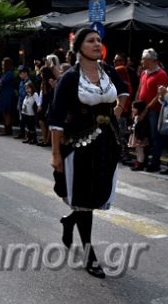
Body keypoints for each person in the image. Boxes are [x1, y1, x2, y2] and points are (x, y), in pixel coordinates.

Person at [49, 28, 128, 278]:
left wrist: (113, 115)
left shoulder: (108, 71)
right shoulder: (70, 77)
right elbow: (56, 119)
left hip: (107, 144)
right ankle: (88, 254)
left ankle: (70, 221)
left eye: (99, 40)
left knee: (95, 196)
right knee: (83, 197)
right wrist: (55, 154)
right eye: (91, 41)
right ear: (79, 47)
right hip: (78, 146)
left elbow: (124, 93)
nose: (97, 44)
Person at [135, 48, 168, 172]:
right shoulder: (144, 72)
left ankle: (155, 163)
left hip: (154, 110)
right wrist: (135, 106)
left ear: (151, 60)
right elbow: (140, 89)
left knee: (155, 137)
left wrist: (147, 109)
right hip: (142, 108)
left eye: (143, 59)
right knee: (141, 136)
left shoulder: (161, 74)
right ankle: (142, 161)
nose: (141, 62)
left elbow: (158, 95)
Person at [0, 57, 16, 136]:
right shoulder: (6, 73)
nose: (2, 66)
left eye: (3, 64)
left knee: (7, 112)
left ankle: (7, 130)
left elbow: (1, 83)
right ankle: (7, 129)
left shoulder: (9, 73)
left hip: (8, 94)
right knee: (4, 112)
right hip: (4, 94)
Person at [128, 101, 150, 171]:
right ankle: (139, 163)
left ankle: (141, 165)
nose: (132, 109)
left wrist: (140, 138)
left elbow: (144, 129)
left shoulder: (142, 118)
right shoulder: (136, 117)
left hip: (140, 138)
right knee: (138, 150)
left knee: (140, 151)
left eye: (134, 108)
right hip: (136, 136)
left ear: (139, 109)